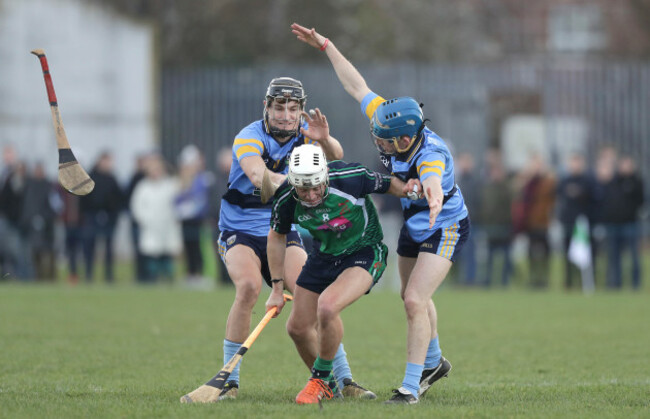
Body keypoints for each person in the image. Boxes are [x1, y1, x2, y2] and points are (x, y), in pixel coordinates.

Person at [292, 24, 470, 404]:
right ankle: (435, 362)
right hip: (415, 222)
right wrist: (326, 45)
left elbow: (433, 178)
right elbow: (356, 86)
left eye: (383, 141)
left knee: (413, 300)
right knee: (410, 294)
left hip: (445, 225)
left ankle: (410, 388)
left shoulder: (430, 153)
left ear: (404, 140)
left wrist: (434, 197)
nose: (378, 143)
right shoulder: (391, 118)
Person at [213, 77, 374, 400]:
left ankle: (344, 381)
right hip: (240, 229)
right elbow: (260, 178)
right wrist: (302, 176)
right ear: (266, 107)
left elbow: (337, 156)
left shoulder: (304, 135)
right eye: (279, 107)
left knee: (314, 302)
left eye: (293, 109)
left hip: (283, 230)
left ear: (301, 111)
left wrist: (324, 141)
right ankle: (229, 382)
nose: (286, 115)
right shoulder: (249, 137)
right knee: (248, 288)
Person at [266, 144, 421, 404]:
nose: (312, 195)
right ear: (293, 183)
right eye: (304, 189)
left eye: (317, 187)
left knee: (327, 307)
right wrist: (276, 288)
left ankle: (317, 381)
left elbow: (387, 184)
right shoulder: (285, 198)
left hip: (364, 251)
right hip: (323, 257)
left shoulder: (351, 176)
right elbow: (276, 237)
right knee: (297, 328)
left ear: (325, 177)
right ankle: (330, 388)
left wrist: (409, 189)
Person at [130, 153, 182, 283]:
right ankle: (152, 278)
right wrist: (145, 220)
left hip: (167, 225)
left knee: (167, 253)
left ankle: (168, 277)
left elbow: (178, 201)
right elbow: (137, 206)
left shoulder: (170, 185)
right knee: (151, 253)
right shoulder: (143, 187)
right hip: (150, 226)